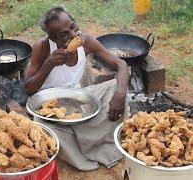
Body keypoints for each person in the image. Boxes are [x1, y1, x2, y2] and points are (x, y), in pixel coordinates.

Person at [24, 6, 129, 171]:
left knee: (118, 86)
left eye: (73, 26)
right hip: (49, 108)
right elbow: (29, 89)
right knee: (41, 127)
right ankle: (82, 159)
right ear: (52, 37)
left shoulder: (86, 42)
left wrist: (120, 93)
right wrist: (49, 64)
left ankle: (96, 144)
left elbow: (121, 64)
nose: (73, 35)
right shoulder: (43, 46)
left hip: (79, 97)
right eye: (64, 34)